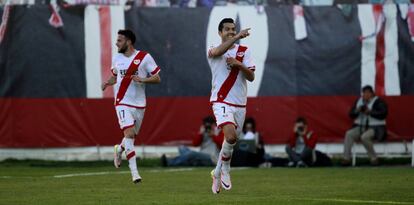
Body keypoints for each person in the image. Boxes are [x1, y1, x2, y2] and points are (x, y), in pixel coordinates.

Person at [101, 29, 161, 184]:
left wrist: (143, 79)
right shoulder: (116, 58)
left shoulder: (144, 57)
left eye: (120, 40)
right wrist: (108, 82)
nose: (116, 43)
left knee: (131, 136)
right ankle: (135, 174)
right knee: (129, 134)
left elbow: (157, 78)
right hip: (121, 101)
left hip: (139, 103)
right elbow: (116, 77)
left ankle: (119, 149)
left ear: (128, 42)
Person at [207, 18, 255, 194]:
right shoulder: (213, 47)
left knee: (230, 141)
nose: (231, 32)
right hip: (220, 100)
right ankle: (226, 170)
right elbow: (218, 51)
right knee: (231, 136)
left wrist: (239, 64)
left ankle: (216, 172)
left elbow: (251, 77)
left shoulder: (244, 51)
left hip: (240, 103)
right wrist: (235, 39)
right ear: (220, 32)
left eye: (233, 29)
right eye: (227, 29)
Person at [342, 85, 388, 166]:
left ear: (371, 93)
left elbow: (383, 114)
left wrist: (370, 112)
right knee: (349, 134)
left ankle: (374, 159)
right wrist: (357, 110)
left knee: (365, 137)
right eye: (363, 93)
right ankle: (346, 158)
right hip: (360, 126)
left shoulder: (379, 101)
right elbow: (351, 114)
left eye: (367, 93)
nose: (364, 95)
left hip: (376, 128)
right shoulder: (359, 101)